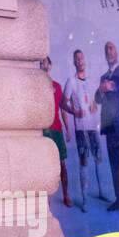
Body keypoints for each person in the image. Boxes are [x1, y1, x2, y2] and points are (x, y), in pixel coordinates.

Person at [62, 49, 109, 210]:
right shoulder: (71, 81)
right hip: (81, 129)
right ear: (74, 62)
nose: (80, 61)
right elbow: (63, 103)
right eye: (77, 59)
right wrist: (75, 111)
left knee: (98, 159)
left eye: (82, 58)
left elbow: (95, 99)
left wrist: (96, 105)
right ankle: (84, 199)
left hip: (93, 128)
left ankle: (102, 191)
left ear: (85, 60)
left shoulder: (93, 79)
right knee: (84, 162)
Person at [95, 41, 119, 213]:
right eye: (106, 49)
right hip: (109, 129)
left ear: (117, 52)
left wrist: (114, 86)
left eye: (111, 48)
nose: (108, 51)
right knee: (114, 167)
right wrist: (101, 90)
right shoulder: (103, 77)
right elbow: (97, 100)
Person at [39, 56, 72, 208]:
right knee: (44, 166)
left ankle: (66, 194)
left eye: (45, 61)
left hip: (57, 130)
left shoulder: (57, 86)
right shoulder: (36, 87)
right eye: (40, 62)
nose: (43, 64)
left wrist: (68, 129)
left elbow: (62, 109)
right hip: (42, 131)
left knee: (62, 164)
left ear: (50, 65)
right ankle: (46, 199)